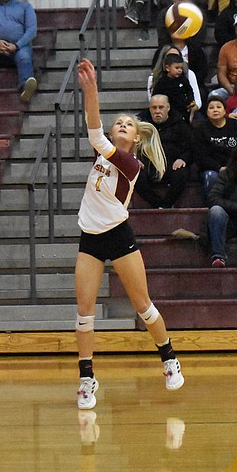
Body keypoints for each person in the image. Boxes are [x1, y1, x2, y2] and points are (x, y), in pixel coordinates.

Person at [73, 58, 185, 410]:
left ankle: (169, 358)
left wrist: (92, 90)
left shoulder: (131, 164)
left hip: (120, 235)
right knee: (84, 311)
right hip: (90, 238)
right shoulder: (103, 152)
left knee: (143, 305)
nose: (120, 125)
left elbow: (96, 133)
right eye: (117, 123)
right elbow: (94, 127)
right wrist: (89, 91)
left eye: (127, 125)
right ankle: (87, 379)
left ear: (135, 139)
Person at [135, 94, 193, 208]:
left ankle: (167, 204)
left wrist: (183, 159)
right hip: (148, 164)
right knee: (135, 173)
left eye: (161, 107)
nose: (157, 111)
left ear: (168, 108)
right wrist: (134, 159)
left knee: (182, 173)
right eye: (154, 108)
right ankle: (157, 204)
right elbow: (129, 144)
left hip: (171, 164)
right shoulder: (140, 124)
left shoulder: (180, 124)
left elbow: (191, 146)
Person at [191, 94, 237, 202]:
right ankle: (213, 206)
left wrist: (234, 166)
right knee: (211, 176)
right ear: (207, 112)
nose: (215, 110)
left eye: (218, 107)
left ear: (224, 111)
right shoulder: (200, 130)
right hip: (213, 169)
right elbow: (200, 157)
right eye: (211, 108)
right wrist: (219, 168)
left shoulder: (236, 125)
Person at [148, 52, 199, 119]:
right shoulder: (162, 82)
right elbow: (155, 96)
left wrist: (190, 101)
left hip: (183, 110)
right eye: (177, 68)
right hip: (168, 111)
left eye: (181, 68)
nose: (179, 70)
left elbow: (189, 91)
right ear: (167, 68)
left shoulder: (183, 80)